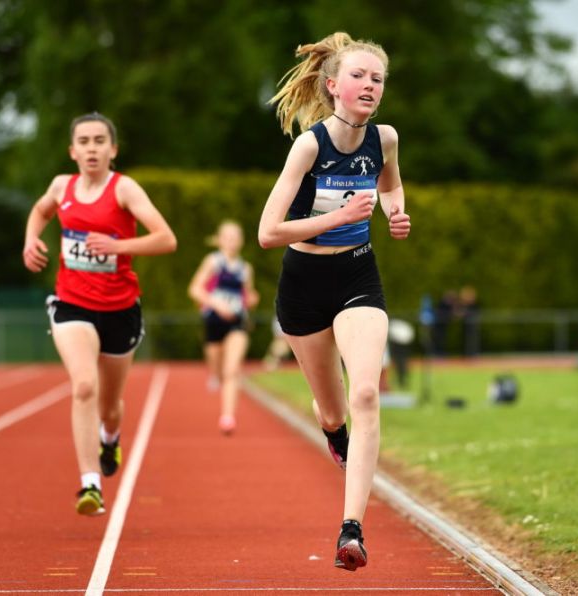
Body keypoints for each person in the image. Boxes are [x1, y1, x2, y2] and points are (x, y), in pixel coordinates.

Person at [258, 32, 411, 571]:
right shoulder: (310, 145)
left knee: (365, 392)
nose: (369, 85)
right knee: (331, 409)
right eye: (359, 76)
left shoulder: (385, 139)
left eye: (377, 79)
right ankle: (334, 432)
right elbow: (268, 231)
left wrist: (395, 212)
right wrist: (338, 218)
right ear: (332, 86)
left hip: (357, 276)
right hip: (302, 284)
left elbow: (391, 185)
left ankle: (352, 530)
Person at [22, 112, 177, 516]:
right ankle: (90, 484)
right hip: (72, 302)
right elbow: (40, 211)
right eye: (84, 142)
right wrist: (30, 239)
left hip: (119, 307)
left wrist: (118, 248)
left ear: (113, 149)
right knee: (84, 386)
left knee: (110, 404)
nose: (92, 149)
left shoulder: (124, 189)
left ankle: (110, 437)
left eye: (99, 141)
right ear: (72, 151)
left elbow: (166, 239)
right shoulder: (61, 186)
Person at [187, 220, 259, 435]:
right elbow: (195, 289)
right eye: (227, 237)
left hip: (237, 321)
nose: (231, 242)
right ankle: (215, 375)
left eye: (235, 237)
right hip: (213, 321)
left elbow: (249, 295)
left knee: (232, 370)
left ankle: (228, 417)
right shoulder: (213, 262)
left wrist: (252, 299)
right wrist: (216, 304)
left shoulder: (246, 269)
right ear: (219, 240)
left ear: (241, 241)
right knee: (218, 370)